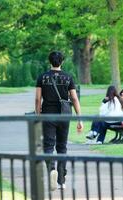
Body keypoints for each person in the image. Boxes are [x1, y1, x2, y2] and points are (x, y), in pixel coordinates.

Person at [35, 51, 83, 191]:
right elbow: (74, 99)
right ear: (62, 62)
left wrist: (38, 115)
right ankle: (61, 181)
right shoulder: (68, 77)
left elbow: (38, 99)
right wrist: (79, 118)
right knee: (62, 147)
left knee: (48, 147)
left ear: (50, 61)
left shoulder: (42, 77)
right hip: (64, 116)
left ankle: (51, 171)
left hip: (48, 116)